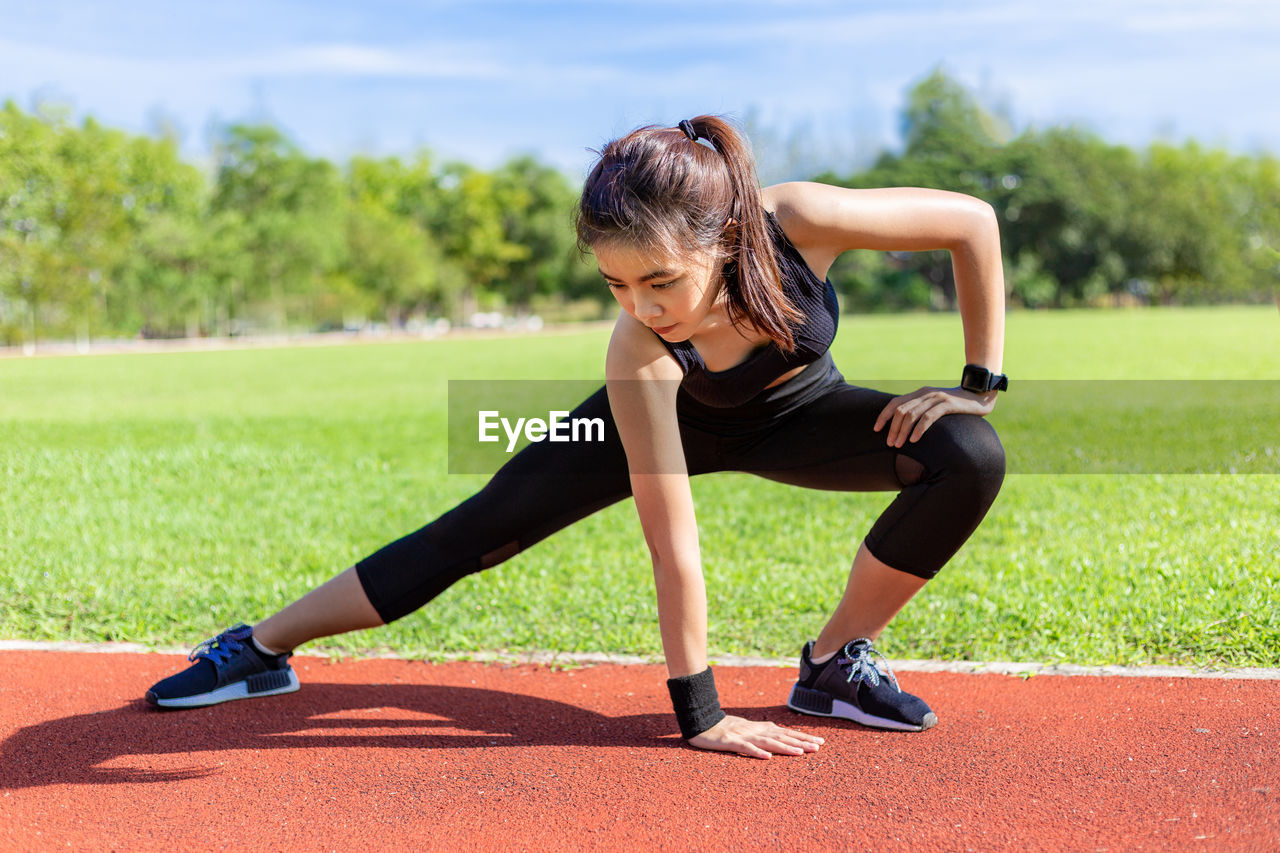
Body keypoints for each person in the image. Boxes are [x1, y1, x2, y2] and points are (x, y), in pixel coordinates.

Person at [146, 116, 1008, 760]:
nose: (641, 305)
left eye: (661, 280)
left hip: (801, 414)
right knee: (477, 531)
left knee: (967, 457)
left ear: (729, 236)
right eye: (615, 283)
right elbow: (674, 545)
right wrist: (699, 713)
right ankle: (259, 647)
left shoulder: (799, 222)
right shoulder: (640, 349)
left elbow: (972, 223)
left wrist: (977, 386)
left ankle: (830, 665)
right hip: (670, 423)